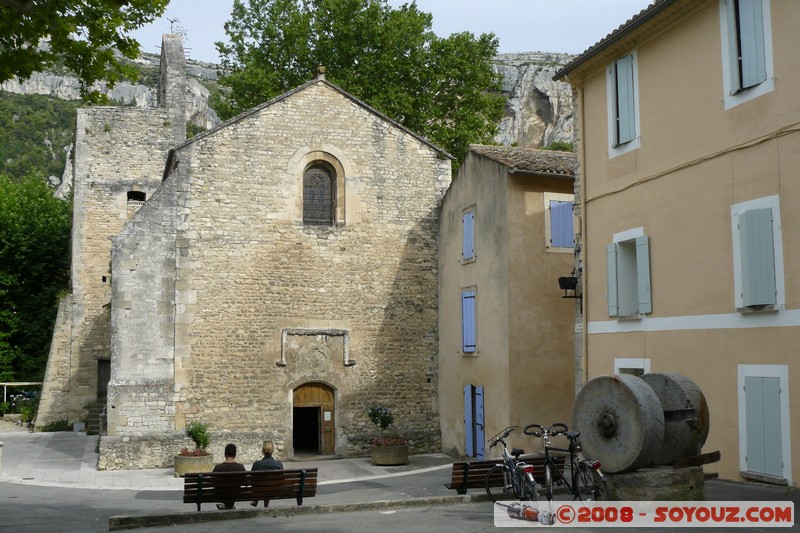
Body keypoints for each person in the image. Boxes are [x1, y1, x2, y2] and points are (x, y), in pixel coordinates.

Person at [250, 439, 284, 508]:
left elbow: (251, 479)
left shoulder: (257, 464)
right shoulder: (278, 464)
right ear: (272, 450)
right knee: (268, 485)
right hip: (275, 490)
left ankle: (256, 499)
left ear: (263, 451)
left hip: (260, 489)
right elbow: (282, 478)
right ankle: (264, 506)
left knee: (261, 484)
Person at [213, 443, 246, 510]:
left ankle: (227, 507)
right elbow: (244, 482)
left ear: (225, 453)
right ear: (235, 454)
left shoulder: (218, 467)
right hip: (236, 494)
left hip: (221, 494)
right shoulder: (240, 467)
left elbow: (212, 482)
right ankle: (229, 507)